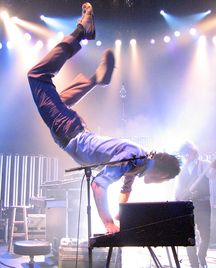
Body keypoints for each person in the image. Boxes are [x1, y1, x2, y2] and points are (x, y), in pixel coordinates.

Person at [28, 2, 181, 234]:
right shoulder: (133, 160)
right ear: (162, 173)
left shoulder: (137, 163)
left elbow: (125, 189)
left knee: (58, 100)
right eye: (164, 180)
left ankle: (94, 81)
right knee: (37, 76)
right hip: (69, 131)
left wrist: (122, 213)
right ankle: (81, 32)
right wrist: (109, 223)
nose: (161, 182)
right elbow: (99, 185)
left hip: (74, 130)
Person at [175, 141, 216, 268]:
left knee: (205, 235)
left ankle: (201, 255)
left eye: (188, 152)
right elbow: (178, 188)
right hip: (187, 206)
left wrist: (214, 167)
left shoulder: (203, 164)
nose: (186, 156)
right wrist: (177, 201)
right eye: (184, 154)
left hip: (203, 204)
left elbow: (213, 175)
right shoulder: (181, 169)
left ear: (193, 151)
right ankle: (194, 264)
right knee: (189, 235)